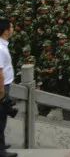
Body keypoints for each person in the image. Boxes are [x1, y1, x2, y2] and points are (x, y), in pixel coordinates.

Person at [0, 18, 16, 157]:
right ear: (5, 31)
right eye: (11, 27)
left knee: (3, 116)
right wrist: (2, 93)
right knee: (1, 117)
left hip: (6, 85)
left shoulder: (3, 45)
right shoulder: (0, 48)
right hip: (2, 87)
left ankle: (2, 144)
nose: (12, 29)